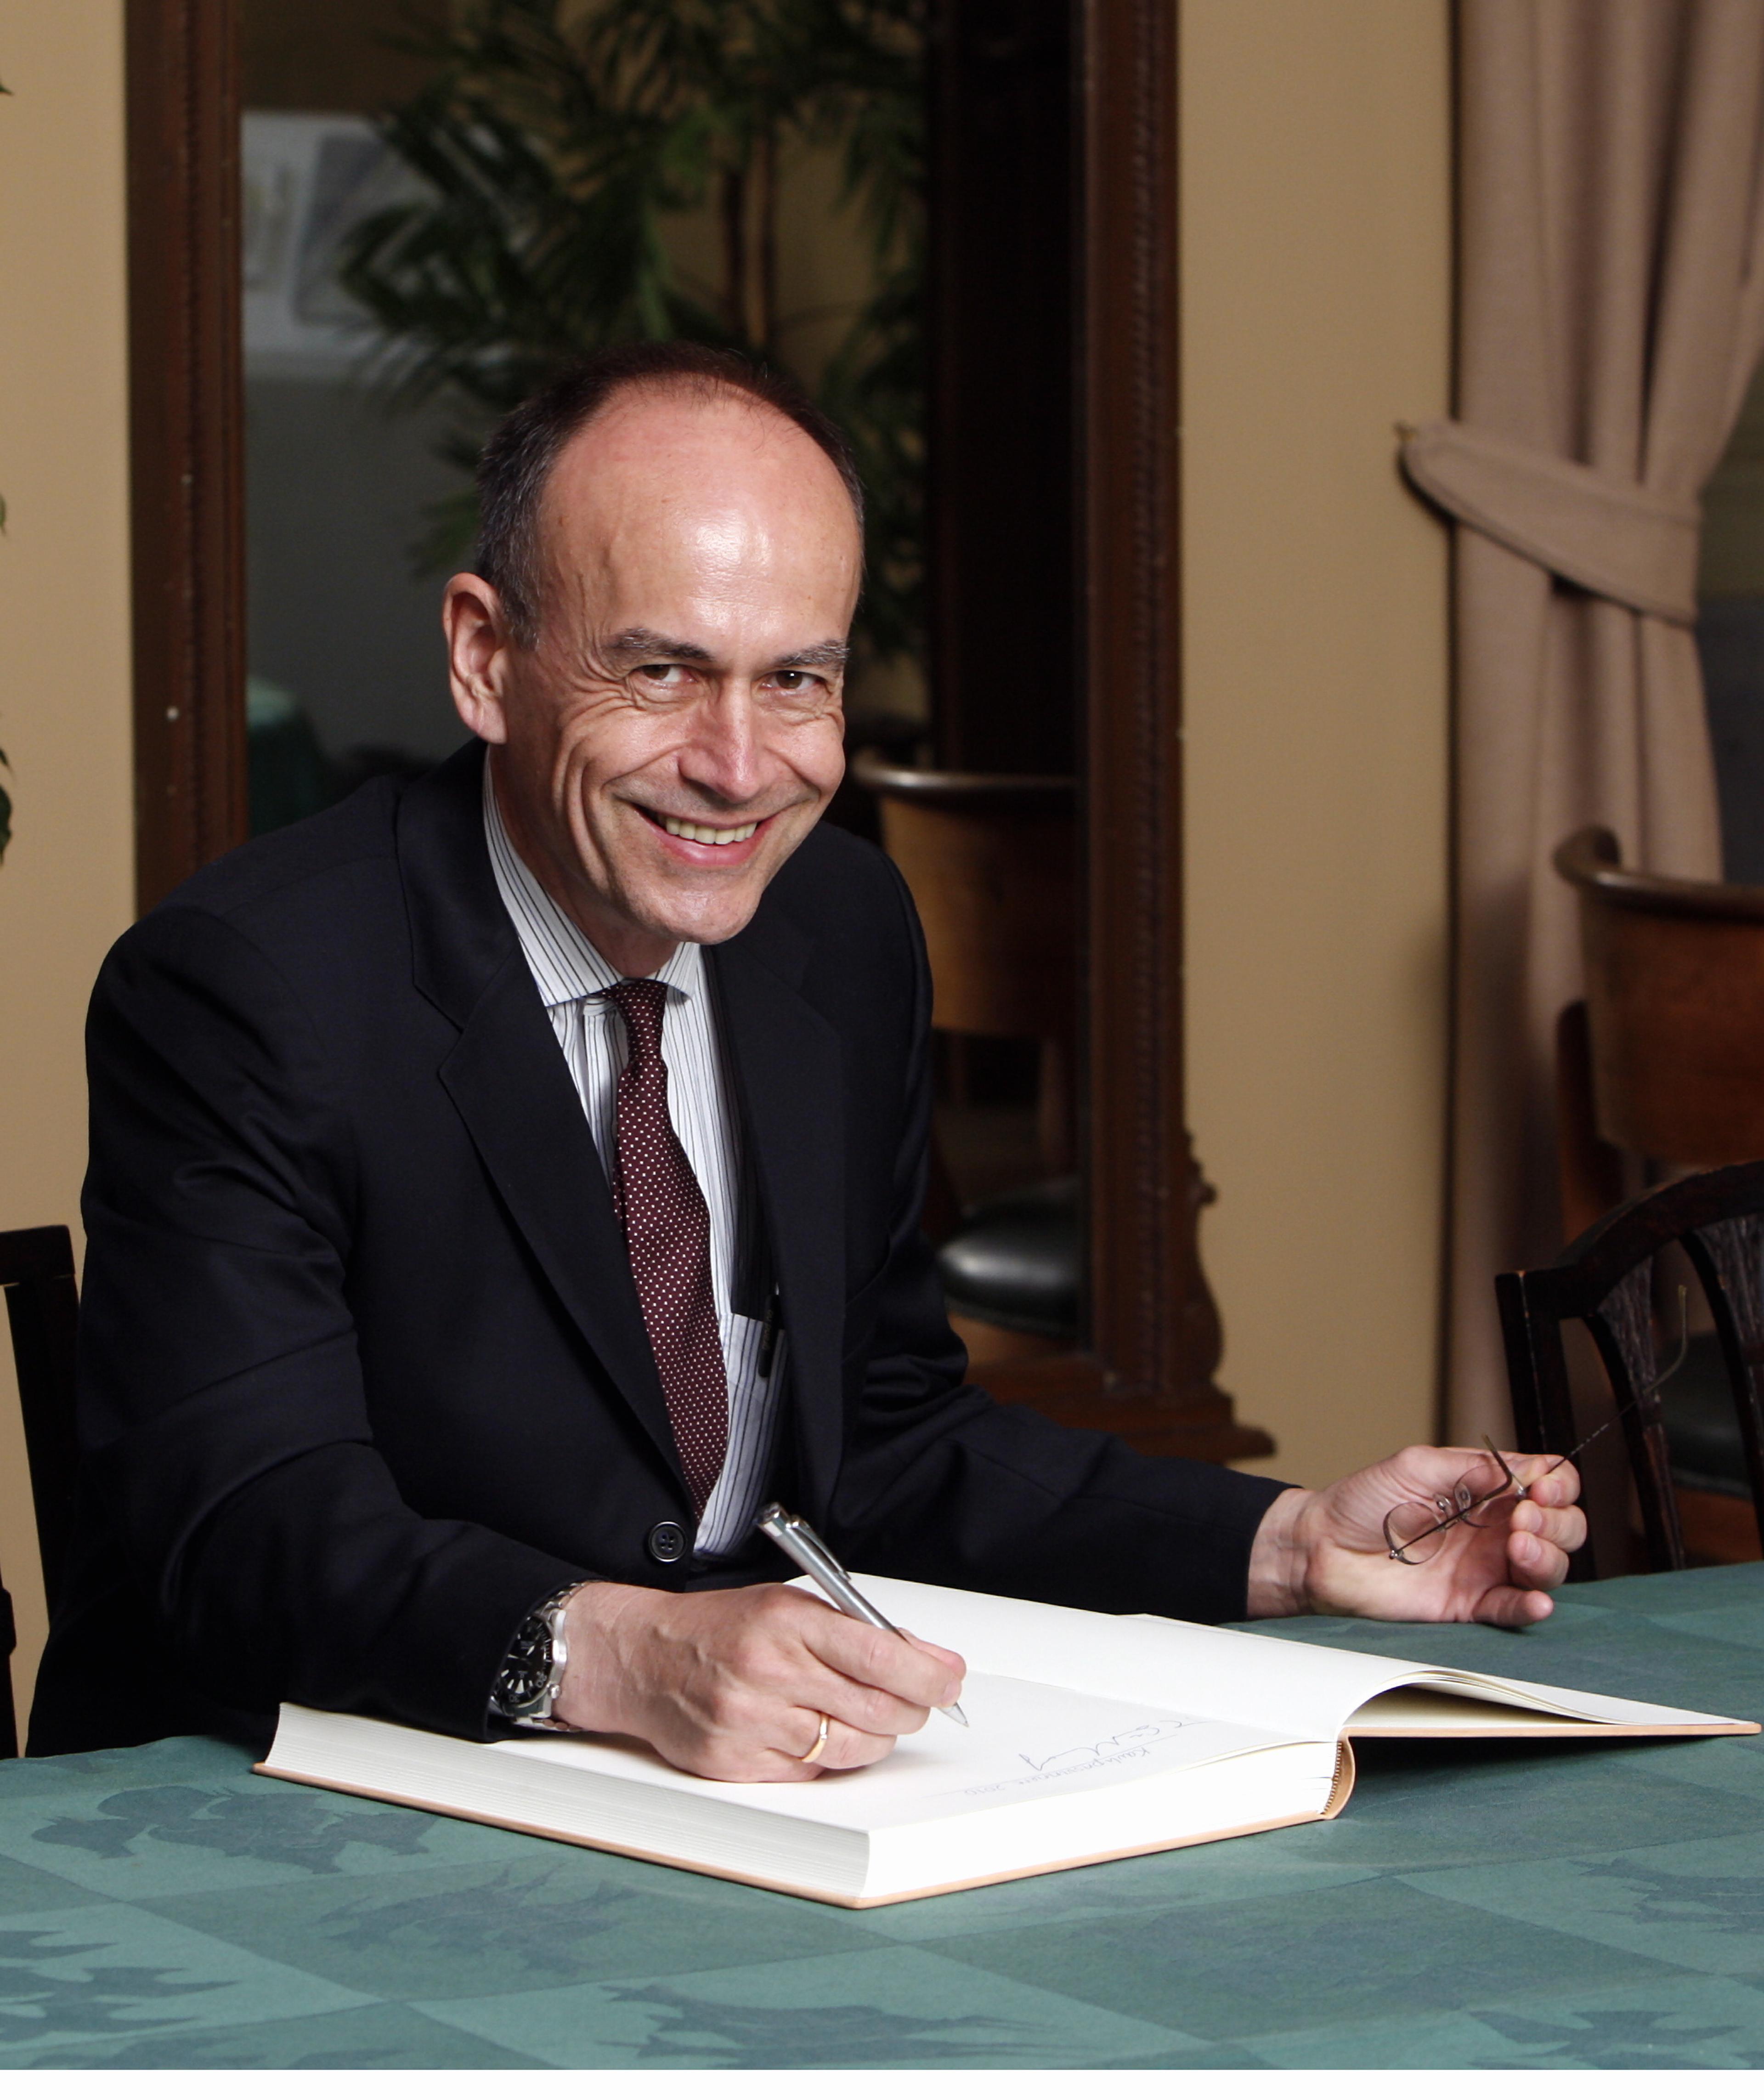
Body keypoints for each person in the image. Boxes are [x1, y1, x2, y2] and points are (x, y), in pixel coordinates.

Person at [28, 344, 1585, 1775]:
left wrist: (1293, 1540)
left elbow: (892, 1437)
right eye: (662, 671)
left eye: (798, 678)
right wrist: (624, 1653)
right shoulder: (246, 986)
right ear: (485, 657)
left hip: (734, 1808)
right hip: (292, 1804)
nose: (738, 763)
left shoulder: (836, 924)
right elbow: (244, 1525)